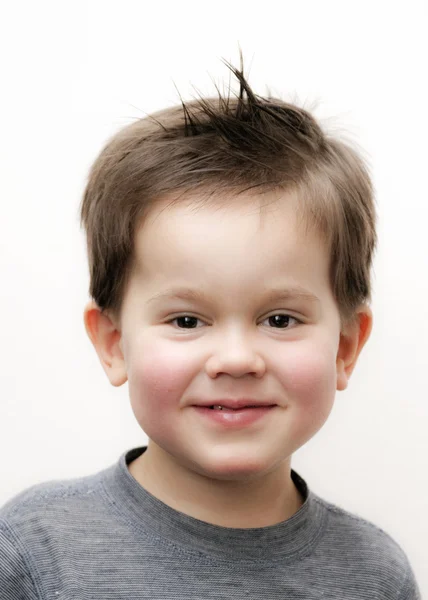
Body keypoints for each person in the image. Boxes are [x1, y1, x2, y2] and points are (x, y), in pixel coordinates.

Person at [0, 56, 421, 599]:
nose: (237, 358)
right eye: (187, 320)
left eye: (279, 319)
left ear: (345, 347)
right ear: (113, 344)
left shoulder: (375, 576)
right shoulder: (33, 553)